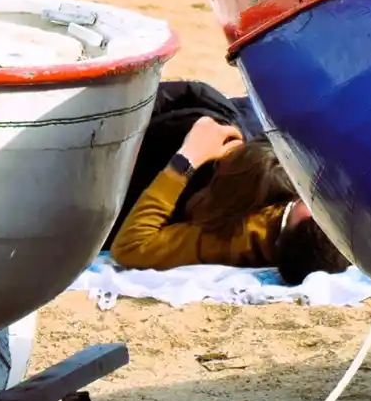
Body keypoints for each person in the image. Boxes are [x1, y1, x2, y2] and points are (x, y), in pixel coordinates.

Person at [110, 114, 350, 285]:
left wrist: (188, 158)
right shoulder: (270, 231)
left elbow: (132, 247)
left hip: (176, 151)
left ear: (307, 215)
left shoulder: (243, 234)